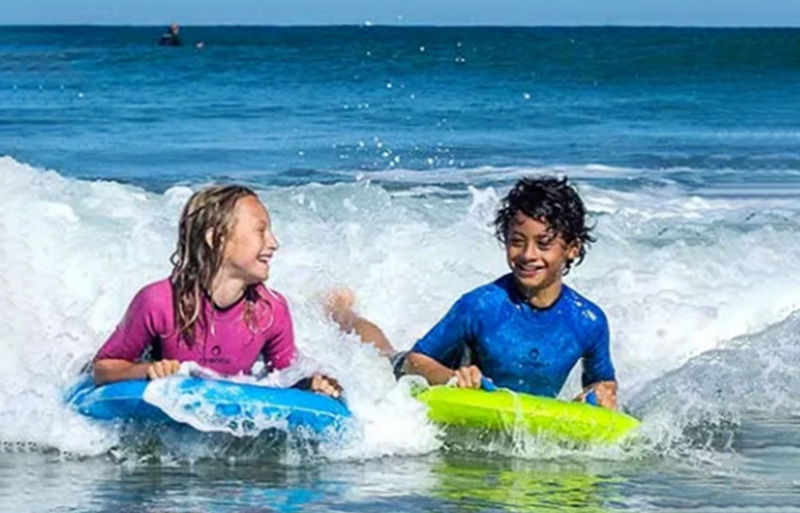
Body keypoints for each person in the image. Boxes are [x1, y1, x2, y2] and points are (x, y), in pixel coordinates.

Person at [327, 176, 617, 409]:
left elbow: (602, 382)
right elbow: (416, 360)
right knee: (384, 354)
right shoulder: (481, 306)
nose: (528, 254)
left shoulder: (589, 321)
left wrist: (601, 393)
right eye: (517, 241)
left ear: (572, 248)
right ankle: (340, 309)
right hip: (419, 375)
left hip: (506, 405)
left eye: (544, 244)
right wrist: (454, 378)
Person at [93, 184, 341, 398]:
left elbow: (286, 377)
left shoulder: (271, 310)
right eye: (260, 231)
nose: (273, 243)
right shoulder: (158, 302)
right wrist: (147, 370)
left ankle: (341, 306)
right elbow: (103, 368)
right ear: (217, 239)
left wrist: (312, 384)